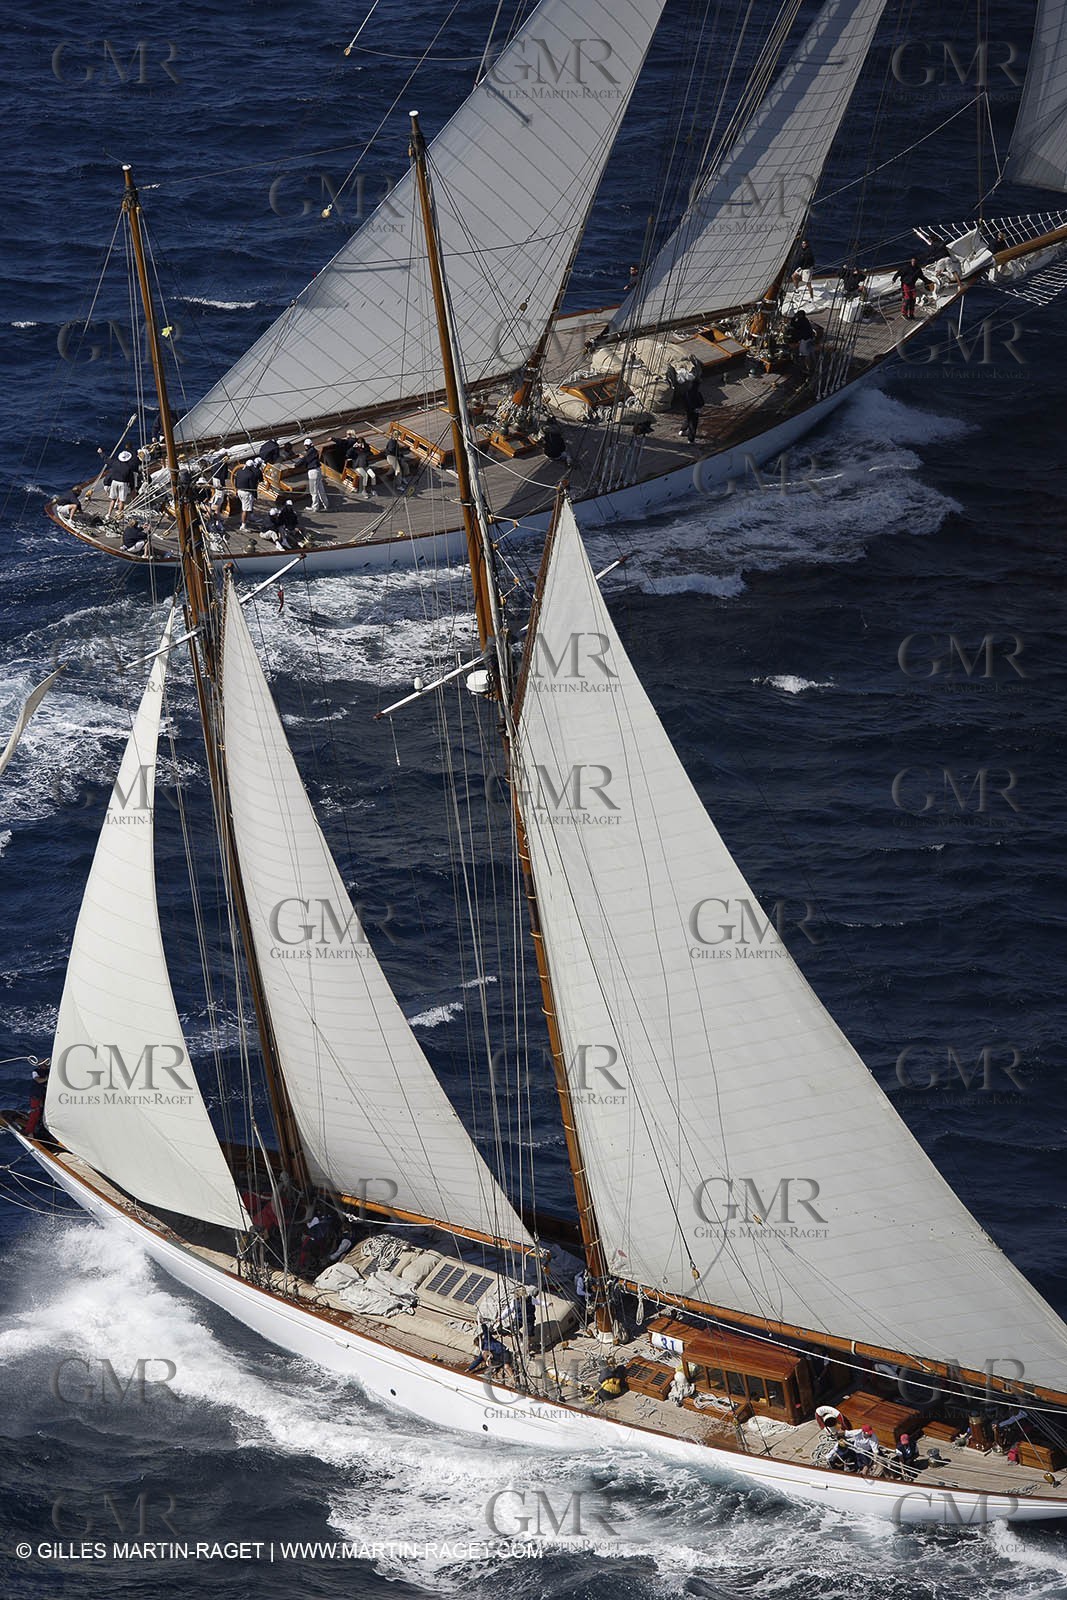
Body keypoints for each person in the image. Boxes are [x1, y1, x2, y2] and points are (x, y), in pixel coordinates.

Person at [893, 256, 933, 321]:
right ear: (911, 261)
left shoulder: (918, 270)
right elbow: (898, 273)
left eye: (914, 262)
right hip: (905, 285)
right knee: (907, 299)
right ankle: (904, 314)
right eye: (912, 261)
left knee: (913, 300)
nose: (913, 263)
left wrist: (928, 282)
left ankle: (911, 314)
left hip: (912, 285)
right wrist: (894, 279)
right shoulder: (906, 268)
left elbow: (922, 277)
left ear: (917, 262)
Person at [105, 449, 140, 520]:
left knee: (113, 499)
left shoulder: (115, 463)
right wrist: (132, 487)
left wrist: (101, 453)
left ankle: (108, 514)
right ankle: (119, 516)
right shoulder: (128, 468)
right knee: (121, 500)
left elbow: (106, 460)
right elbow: (131, 479)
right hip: (123, 484)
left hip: (114, 482)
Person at [296, 437, 329, 511]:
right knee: (321, 489)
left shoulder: (309, 452)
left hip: (313, 472)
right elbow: (308, 458)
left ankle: (315, 507)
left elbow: (305, 460)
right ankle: (326, 505)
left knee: (313, 491)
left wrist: (296, 465)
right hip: (318, 470)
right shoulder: (314, 451)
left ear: (307, 445)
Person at [344, 432, 377, 498]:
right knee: (365, 475)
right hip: (358, 466)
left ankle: (373, 489)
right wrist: (353, 448)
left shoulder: (365, 448)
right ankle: (364, 491)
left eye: (361, 443)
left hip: (365, 465)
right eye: (359, 443)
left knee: (373, 475)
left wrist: (364, 449)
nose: (360, 445)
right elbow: (347, 455)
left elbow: (370, 453)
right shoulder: (354, 450)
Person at [233, 459, 263, 529]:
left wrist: (236, 491)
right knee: (245, 510)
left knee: (244, 507)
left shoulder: (239, 471)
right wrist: (255, 495)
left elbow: (236, 482)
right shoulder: (251, 474)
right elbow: (252, 487)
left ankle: (243, 520)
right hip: (246, 493)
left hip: (239, 491)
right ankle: (243, 525)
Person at [24, 1060, 49, 1138]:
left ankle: (42, 1129)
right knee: (35, 1113)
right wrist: (47, 1078)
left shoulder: (49, 1071)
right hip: (36, 1095)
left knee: (43, 1112)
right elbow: (38, 1080)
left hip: (44, 1095)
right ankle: (29, 1132)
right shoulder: (35, 1072)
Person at [679, 379, 704, 443]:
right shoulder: (697, 393)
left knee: (687, 419)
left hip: (687, 409)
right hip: (695, 410)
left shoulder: (687, 392)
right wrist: (698, 408)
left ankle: (682, 430)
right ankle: (690, 439)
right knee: (693, 424)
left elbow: (684, 400)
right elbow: (702, 402)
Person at [792, 238, 815, 302]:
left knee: (808, 284)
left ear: (807, 244)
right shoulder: (802, 250)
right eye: (802, 243)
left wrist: (810, 267)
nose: (803, 244)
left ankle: (811, 297)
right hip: (801, 268)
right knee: (794, 276)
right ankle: (796, 289)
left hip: (807, 269)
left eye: (804, 243)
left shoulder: (808, 252)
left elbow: (810, 261)